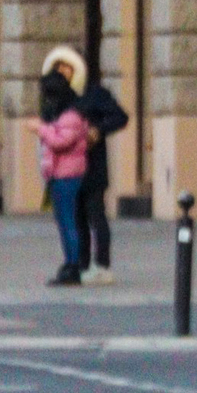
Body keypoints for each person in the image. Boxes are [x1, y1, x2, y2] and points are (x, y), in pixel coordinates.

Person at [37, 48, 91, 286]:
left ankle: (74, 265)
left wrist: (41, 129)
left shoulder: (70, 114)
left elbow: (61, 142)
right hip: (60, 174)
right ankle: (70, 262)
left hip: (67, 175)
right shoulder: (64, 112)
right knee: (64, 220)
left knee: (68, 221)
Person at [72, 63, 129, 285]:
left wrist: (99, 129)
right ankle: (81, 265)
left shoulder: (96, 94)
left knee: (96, 216)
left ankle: (102, 265)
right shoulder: (62, 97)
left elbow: (120, 117)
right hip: (69, 168)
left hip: (92, 166)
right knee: (77, 219)